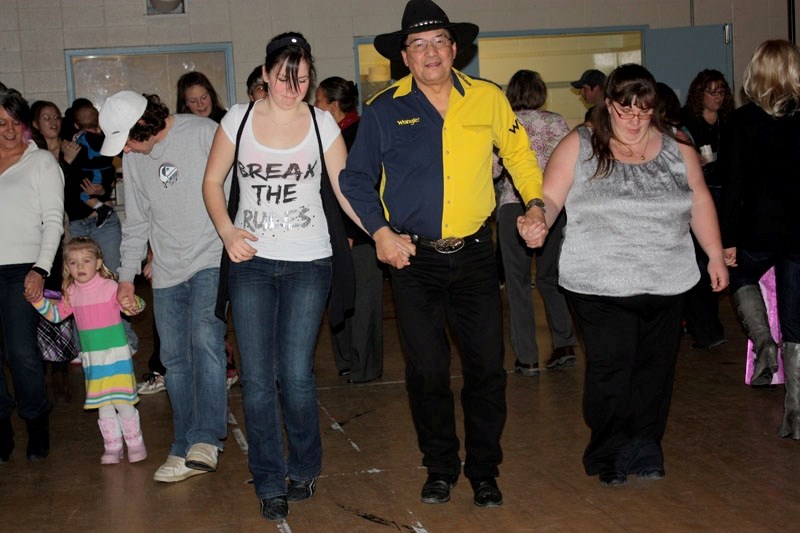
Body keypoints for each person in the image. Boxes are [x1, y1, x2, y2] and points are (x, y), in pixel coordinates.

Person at [338, 0, 548, 508]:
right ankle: (439, 466)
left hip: (476, 255)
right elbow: (356, 180)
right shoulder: (385, 109)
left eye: (439, 42)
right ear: (405, 58)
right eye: (418, 44)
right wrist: (381, 233)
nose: (430, 52)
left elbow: (518, 154)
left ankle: (484, 470)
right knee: (427, 370)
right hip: (415, 260)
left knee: (486, 369)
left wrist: (535, 204)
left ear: (455, 50)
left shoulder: (489, 98)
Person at [542, 64, 728, 487]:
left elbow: (698, 199)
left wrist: (714, 255)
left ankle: (645, 447)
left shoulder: (677, 146)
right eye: (624, 111)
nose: (633, 120)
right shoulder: (581, 144)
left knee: (655, 371)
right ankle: (607, 451)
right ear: (608, 105)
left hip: (666, 278)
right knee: (612, 369)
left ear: (653, 109)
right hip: (598, 284)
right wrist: (538, 218)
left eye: (642, 112)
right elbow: (551, 196)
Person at [202, 32, 353, 522]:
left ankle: (305, 465)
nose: (294, 88)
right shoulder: (238, 119)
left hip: (310, 260)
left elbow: (345, 188)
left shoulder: (321, 121)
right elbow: (212, 181)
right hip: (251, 263)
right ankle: (269, 480)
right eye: (285, 78)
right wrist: (227, 231)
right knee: (258, 379)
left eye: (303, 79)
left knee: (295, 374)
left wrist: (381, 228)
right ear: (265, 75)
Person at [99, 90, 228, 482]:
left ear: (145, 123)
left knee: (205, 341)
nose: (129, 152)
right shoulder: (136, 159)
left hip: (211, 257)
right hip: (168, 269)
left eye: (128, 141)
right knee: (173, 359)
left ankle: (207, 438)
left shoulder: (204, 132)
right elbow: (137, 222)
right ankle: (183, 441)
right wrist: (125, 276)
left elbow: (234, 189)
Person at [720, 40, 800, 437]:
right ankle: (797, 415)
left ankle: (764, 341)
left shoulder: (743, 120)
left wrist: (727, 238)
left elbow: (734, 186)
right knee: (797, 320)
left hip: (758, 227)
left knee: (738, 275)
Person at [30, 237, 147, 464]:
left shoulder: (111, 287)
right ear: (66, 267)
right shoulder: (72, 293)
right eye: (73, 262)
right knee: (103, 404)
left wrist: (135, 303)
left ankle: (135, 442)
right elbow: (56, 315)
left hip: (116, 356)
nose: (80, 267)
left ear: (98, 262)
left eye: (86, 260)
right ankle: (112, 446)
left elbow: (134, 305)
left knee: (123, 402)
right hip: (93, 360)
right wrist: (38, 301)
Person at [493, 70, 578, 376]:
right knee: (549, 277)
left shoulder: (505, 123)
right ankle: (564, 343)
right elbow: (571, 163)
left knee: (516, 284)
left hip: (512, 206)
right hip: (551, 207)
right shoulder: (556, 122)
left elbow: (493, 170)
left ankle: (527, 357)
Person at [0, 88, 65, 462]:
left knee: (21, 353)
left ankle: (36, 421)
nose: (9, 130)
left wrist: (41, 268)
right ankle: (1, 426)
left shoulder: (40, 162)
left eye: (16, 122)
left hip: (22, 269)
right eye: (1, 123)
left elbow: (53, 221)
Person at [316, 76, 384, 383]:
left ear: (332, 107)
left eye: (317, 101)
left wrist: (355, 233)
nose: (314, 107)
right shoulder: (328, 136)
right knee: (340, 298)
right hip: (331, 234)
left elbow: (364, 188)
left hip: (361, 234)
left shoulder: (360, 133)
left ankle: (364, 366)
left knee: (364, 301)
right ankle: (345, 360)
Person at [681, 69, 735, 350]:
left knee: (717, 262)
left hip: (725, 197)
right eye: (712, 91)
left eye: (721, 92)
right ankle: (704, 327)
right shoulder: (686, 123)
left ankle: (704, 323)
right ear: (699, 94)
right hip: (699, 197)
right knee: (700, 265)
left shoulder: (730, 123)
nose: (717, 97)